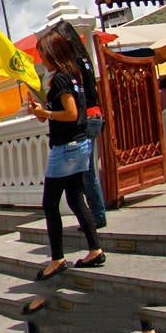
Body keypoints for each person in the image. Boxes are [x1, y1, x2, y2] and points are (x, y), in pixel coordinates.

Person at [27, 30, 104, 281]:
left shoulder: (61, 79)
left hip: (66, 147)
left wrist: (47, 114)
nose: (41, 59)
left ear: (52, 54)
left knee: (50, 204)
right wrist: (44, 111)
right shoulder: (74, 75)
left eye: (42, 54)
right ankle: (94, 248)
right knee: (75, 198)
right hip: (80, 144)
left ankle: (58, 258)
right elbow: (69, 111)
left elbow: (70, 113)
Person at [50, 19, 106, 228]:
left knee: (86, 174)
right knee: (86, 172)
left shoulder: (72, 66)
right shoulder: (85, 60)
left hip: (87, 118)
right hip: (94, 114)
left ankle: (97, 217)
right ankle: (96, 214)